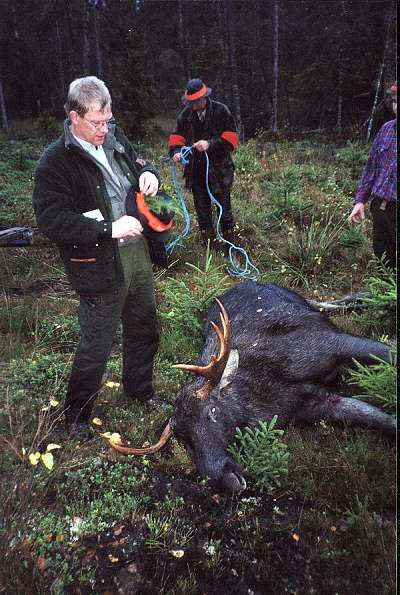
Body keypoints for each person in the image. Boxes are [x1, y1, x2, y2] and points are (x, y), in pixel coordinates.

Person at [33, 76, 163, 442]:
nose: (105, 129)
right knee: (97, 342)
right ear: (73, 117)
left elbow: (138, 164)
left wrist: (148, 174)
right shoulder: (56, 161)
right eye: (96, 123)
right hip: (98, 261)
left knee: (144, 327)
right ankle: (76, 415)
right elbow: (51, 219)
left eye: (108, 120)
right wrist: (108, 229)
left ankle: (140, 391)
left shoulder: (114, 137)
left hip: (137, 254)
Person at [168, 78, 239, 248]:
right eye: (190, 101)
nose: (192, 105)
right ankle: (210, 247)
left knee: (224, 209)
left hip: (220, 170)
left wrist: (210, 144)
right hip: (196, 172)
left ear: (204, 98)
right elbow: (176, 139)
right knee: (202, 212)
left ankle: (231, 245)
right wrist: (176, 153)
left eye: (195, 101)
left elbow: (231, 140)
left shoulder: (221, 111)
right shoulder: (185, 116)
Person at [348, 83, 397, 269]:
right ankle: (385, 296)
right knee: (385, 262)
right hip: (382, 209)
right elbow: (371, 169)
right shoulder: (386, 130)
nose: (396, 106)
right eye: (394, 101)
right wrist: (360, 201)